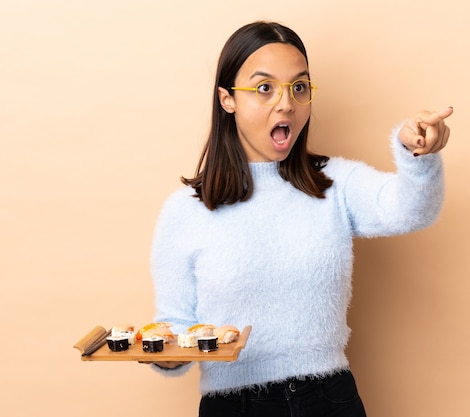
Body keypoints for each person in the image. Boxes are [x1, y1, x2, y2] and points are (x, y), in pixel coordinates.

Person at [144, 20, 452, 417]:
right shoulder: (185, 210)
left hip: (329, 400)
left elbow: (411, 210)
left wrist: (419, 156)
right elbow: (175, 326)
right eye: (264, 88)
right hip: (233, 406)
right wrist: (166, 355)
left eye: (299, 87)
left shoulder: (334, 182)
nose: (286, 103)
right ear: (227, 99)